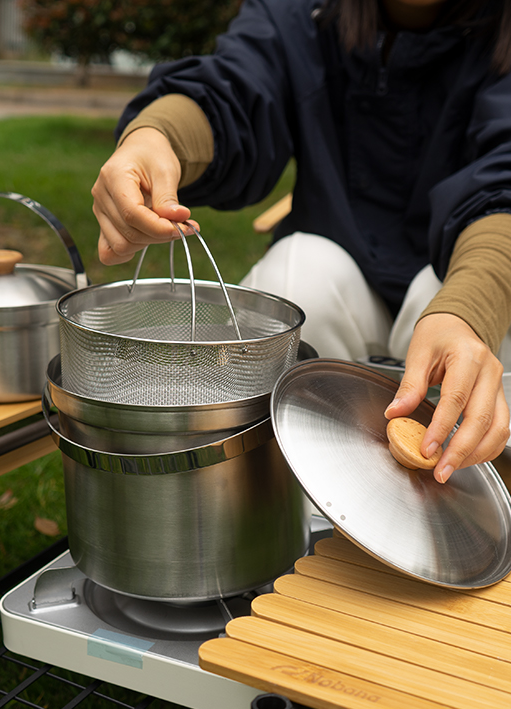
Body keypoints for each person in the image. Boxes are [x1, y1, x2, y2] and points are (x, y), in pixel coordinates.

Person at [91, 0, 511, 484]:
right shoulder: (301, 12)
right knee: (296, 276)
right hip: (337, 276)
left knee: (461, 317)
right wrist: (157, 137)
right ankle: (282, 504)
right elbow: (236, 88)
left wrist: (468, 311)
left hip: (471, 272)